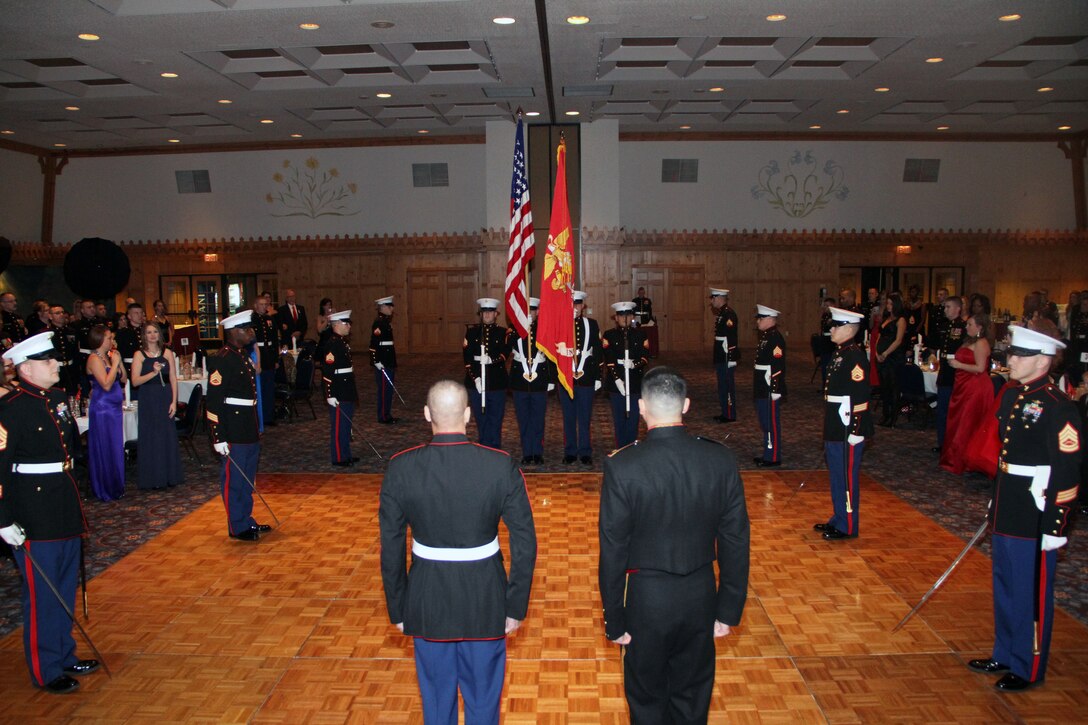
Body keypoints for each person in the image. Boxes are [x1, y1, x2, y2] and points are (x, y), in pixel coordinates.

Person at [379, 380, 537, 724]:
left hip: (426, 599)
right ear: (468, 415)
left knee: (436, 702)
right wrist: (515, 604)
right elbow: (525, 540)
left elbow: (390, 546)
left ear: (426, 415)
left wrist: (398, 606)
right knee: (483, 702)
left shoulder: (402, 467)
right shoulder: (499, 465)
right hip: (486, 599)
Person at [599, 366, 750, 723]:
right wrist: (728, 609)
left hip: (646, 600)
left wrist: (613, 618)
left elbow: (614, 549)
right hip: (700, 593)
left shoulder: (623, 466)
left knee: (647, 699)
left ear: (640, 407)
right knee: (693, 696)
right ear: (685, 405)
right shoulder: (719, 459)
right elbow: (735, 539)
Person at [967, 326, 1081, 692]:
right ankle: (1005, 651)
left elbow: (1067, 471)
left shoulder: (1058, 406)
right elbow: (1006, 456)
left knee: (1030, 590)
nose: (1010, 360)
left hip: (1035, 511)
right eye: (1011, 353)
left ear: (1043, 361)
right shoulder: (1013, 395)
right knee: (1005, 583)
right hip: (1008, 502)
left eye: (1019, 355)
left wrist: (1056, 526)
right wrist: (994, 499)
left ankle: (1028, 664)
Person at [0, 332, 101, 695]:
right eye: (49, 361)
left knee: (62, 585)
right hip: (32, 512)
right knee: (42, 592)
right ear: (26, 368)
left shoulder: (56, 398)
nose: (57, 364)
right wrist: (3, 519)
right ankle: (46, 669)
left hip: (63, 503)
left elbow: (69, 449)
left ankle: (64, 652)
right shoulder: (10, 409)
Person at [205, 310, 269, 542]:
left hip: (247, 425)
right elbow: (213, 403)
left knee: (247, 477)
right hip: (232, 428)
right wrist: (218, 437)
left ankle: (246, 519)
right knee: (234, 479)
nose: (252, 332)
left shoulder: (242, 355)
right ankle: (236, 526)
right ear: (234, 332)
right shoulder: (223, 359)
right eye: (247, 329)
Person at [814, 307, 873, 540]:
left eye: (836, 326)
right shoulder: (840, 353)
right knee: (837, 475)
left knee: (847, 477)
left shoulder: (855, 356)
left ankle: (848, 525)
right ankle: (838, 518)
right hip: (837, 424)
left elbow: (860, 396)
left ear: (849, 329)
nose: (832, 329)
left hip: (849, 426)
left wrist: (857, 430)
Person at [940, 314, 995, 475]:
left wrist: (959, 364)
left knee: (967, 423)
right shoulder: (969, 341)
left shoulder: (981, 343)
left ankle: (964, 460)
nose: (966, 327)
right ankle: (957, 457)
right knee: (958, 421)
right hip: (964, 385)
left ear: (979, 327)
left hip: (976, 387)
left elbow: (980, 368)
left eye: (970, 324)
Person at [131, 322, 183, 489]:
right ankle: (153, 478)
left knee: (166, 435)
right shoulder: (139, 355)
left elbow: (173, 378)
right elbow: (135, 381)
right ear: (144, 335)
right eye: (148, 332)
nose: (152, 335)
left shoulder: (167, 352)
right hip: (148, 397)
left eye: (155, 332)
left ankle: (169, 476)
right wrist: (153, 373)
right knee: (151, 437)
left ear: (159, 334)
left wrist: (174, 401)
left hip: (165, 396)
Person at [560, 290, 602, 464]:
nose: (575, 307)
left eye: (578, 304)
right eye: (572, 304)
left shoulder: (591, 324)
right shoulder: (561, 324)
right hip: (566, 378)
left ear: (583, 306)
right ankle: (570, 450)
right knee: (568, 417)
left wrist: (598, 376)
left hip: (586, 378)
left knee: (585, 417)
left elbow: (598, 351)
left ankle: (585, 451)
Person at [509, 297, 552, 465]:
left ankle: (538, 451)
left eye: (532, 310)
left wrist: (551, 379)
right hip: (520, 379)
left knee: (538, 418)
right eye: (527, 311)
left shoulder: (544, 329)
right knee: (523, 418)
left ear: (538, 312)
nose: (530, 313)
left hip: (540, 379)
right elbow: (509, 346)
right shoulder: (515, 329)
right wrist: (522, 329)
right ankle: (527, 452)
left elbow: (550, 356)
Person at [85, 324, 126, 502]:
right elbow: (106, 384)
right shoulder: (94, 359)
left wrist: (119, 362)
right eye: (109, 338)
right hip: (103, 409)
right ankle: (105, 487)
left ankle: (117, 484)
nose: (112, 341)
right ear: (100, 339)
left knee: (116, 447)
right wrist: (115, 364)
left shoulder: (109, 358)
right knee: (105, 447)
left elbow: (123, 379)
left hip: (114, 409)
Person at [463, 297, 511, 450]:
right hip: (476, 381)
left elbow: (505, 353)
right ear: (481, 314)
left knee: (496, 418)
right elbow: (467, 358)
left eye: (490, 312)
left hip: (497, 381)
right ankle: (483, 446)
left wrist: (492, 360)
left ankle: (495, 448)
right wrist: (475, 378)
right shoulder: (471, 332)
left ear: (496, 313)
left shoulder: (504, 332)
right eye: (484, 312)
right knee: (481, 417)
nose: (487, 315)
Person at [602, 301, 649, 449]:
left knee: (633, 418)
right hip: (617, 384)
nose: (625, 318)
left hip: (634, 381)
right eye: (621, 315)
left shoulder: (641, 335)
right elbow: (608, 359)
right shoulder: (609, 335)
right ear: (616, 318)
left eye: (628, 315)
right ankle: (621, 448)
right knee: (619, 418)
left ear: (633, 316)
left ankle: (631, 447)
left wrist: (634, 364)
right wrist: (617, 379)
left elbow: (645, 357)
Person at [321, 310, 359, 467]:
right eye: (346, 323)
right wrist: (329, 394)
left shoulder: (342, 342)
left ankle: (346, 454)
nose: (349, 326)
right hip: (338, 389)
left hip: (346, 388)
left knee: (346, 424)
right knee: (339, 426)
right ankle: (338, 457)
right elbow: (328, 372)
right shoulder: (332, 344)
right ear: (336, 324)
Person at [753, 304, 786, 467]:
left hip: (768, 386)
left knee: (771, 422)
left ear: (770, 320)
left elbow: (777, 366)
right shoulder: (766, 337)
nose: (758, 322)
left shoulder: (775, 338)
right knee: (765, 421)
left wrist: (775, 388)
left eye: (761, 318)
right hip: (762, 385)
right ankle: (768, 452)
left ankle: (773, 456)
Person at [935, 296, 968, 453]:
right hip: (945, 372)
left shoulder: (962, 327)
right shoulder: (945, 326)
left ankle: (951, 445)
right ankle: (942, 443)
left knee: (951, 412)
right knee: (941, 411)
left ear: (957, 309)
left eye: (948, 307)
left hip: (955, 373)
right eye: (945, 307)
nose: (945, 310)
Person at [875, 292, 908, 427]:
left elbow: (898, 340)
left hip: (893, 357)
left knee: (893, 387)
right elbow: (879, 336)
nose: (888, 306)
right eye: (887, 303)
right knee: (884, 387)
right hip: (882, 355)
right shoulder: (886, 318)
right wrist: (877, 352)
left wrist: (886, 353)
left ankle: (893, 416)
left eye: (890, 303)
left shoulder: (901, 320)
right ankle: (885, 414)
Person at [710, 288, 739, 423]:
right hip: (721, 354)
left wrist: (732, 357)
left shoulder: (729, 314)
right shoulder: (722, 313)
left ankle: (730, 414)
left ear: (720, 298)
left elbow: (731, 337)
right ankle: (725, 412)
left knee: (727, 385)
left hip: (727, 355)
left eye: (713, 298)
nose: (712, 301)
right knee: (722, 385)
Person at [369, 295, 399, 425]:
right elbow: (373, 344)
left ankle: (387, 413)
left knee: (388, 389)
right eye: (389, 306)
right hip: (383, 361)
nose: (392, 308)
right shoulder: (379, 323)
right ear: (382, 307)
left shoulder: (385, 322)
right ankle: (383, 415)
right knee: (384, 389)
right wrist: (376, 361)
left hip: (389, 360)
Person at [251, 295, 279, 428]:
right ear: (255, 306)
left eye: (265, 304)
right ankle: (259, 416)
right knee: (258, 388)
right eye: (261, 304)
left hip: (269, 355)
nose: (264, 306)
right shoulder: (252, 320)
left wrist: (276, 359)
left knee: (269, 388)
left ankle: (269, 416)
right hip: (257, 355)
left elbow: (275, 339)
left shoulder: (270, 319)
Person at [114, 303, 146, 400]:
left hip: (146, 369)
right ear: (129, 316)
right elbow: (120, 356)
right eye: (136, 313)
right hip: (130, 370)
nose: (139, 315)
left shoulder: (147, 330)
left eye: (141, 313)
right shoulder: (123, 333)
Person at [49, 304, 79, 398]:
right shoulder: (47, 333)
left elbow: (75, 352)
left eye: (62, 312)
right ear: (50, 316)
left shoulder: (71, 331)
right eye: (57, 313)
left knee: (72, 395)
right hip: (56, 369)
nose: (61, 315)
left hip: (70, 369)